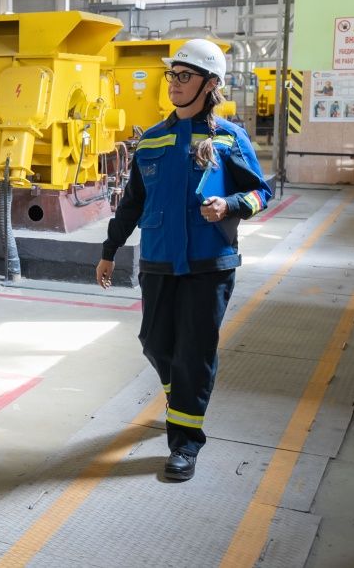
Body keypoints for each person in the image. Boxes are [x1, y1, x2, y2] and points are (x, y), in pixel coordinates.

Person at [95, 39, 272, 482]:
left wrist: (230, 205)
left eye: (184, 75)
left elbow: (261, 192)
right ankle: (182, 399)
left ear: (210, 84)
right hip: (158, 261)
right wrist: (109, 250)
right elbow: (132, 204)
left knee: (194, 353)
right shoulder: (153, 139)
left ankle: (185, 444)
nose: (174, 83)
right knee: (155, 344)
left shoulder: (228, 137)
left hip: (209, 264)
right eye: (171, 75)